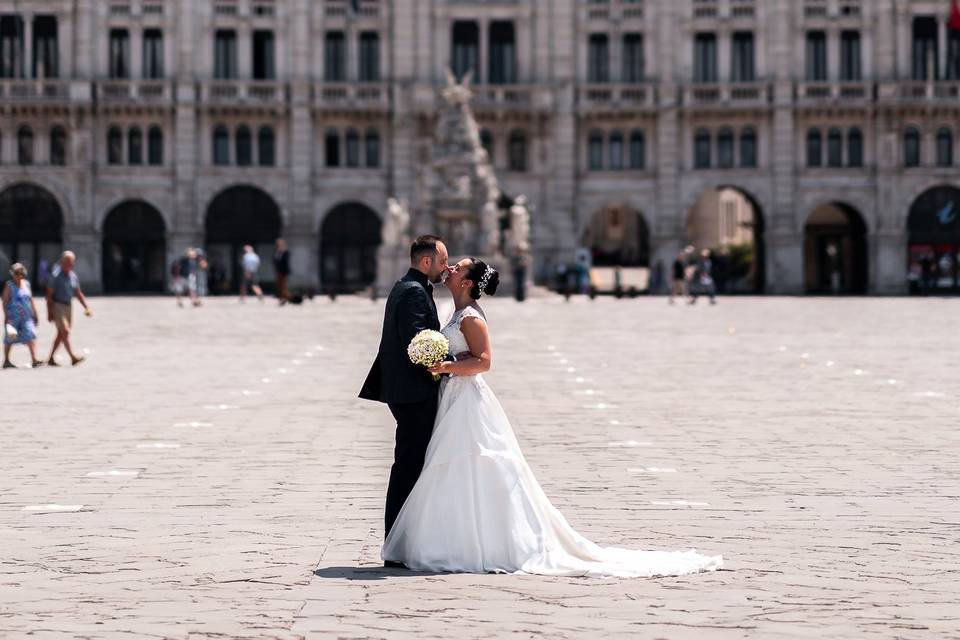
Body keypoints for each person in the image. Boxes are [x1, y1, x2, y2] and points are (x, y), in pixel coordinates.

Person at [380, 256, 722, 577]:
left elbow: (484, 361)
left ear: (468, 282)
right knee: (453, 465)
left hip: (467, 399)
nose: (450, 268)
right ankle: (455, 536)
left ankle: (480, 542)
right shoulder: (459, 311)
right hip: (453, 396)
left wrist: (448, 365)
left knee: (473, 463)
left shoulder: (470, 315)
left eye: (458, 267)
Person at [359, 235, 450, 563]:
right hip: (413, 393)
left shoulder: (408, 286)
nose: (445, 267)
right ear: (426, 261)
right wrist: (446, 367)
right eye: (442, 261)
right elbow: (418, 345)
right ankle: (396, 547)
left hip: (406, 392)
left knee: (409, 465)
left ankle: (403, 542)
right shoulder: (413, 291)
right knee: (408, 467)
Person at [46, 251, 92, 367]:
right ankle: (73, 357)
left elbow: (78, 292)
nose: (70, 265)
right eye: (67, 262)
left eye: (71, 262)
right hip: (57, 306)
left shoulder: (73, 276)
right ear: (62, 262)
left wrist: (86, 306)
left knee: (61, 334)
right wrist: (49, 313)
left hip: (68, 306)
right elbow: (49, 296)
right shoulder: (55, 276)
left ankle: (50, 358)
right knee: (65, 331)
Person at [3, 263, 42, 369]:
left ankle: (34, 359)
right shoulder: (9, 285)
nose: (20, 274)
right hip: (13, 317)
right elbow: (5, 301)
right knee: (10, 338)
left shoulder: (26, 284)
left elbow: (31, 300)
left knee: (30, 334)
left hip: (26, 317)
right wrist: (6, 316)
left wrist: (35, 313)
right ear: (12, 274)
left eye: (21, 272)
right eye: (17, 272)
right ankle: (6, 360)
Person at [273, 239, 291, 305]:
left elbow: (286, 262)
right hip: (278, 271)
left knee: (283, 286)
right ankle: (282, 298)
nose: (278, 246)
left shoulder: (285, 252)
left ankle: (286, 297)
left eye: (279, 244)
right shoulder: (276, 252)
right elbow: (274, 260)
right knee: (279, 286)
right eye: (277, 245)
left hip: (284, 272)